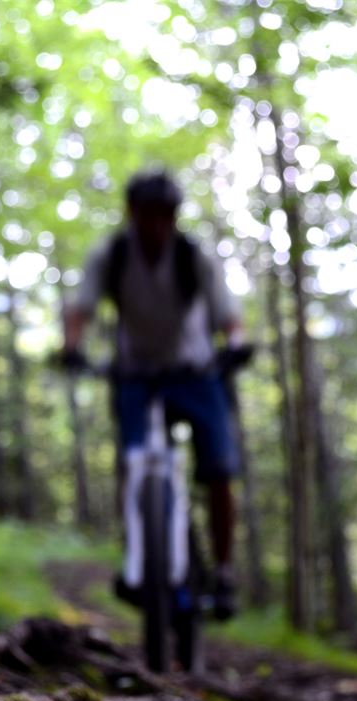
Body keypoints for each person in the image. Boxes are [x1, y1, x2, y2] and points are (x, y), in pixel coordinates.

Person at [63, 169, 245, 619]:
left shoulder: (192, 256)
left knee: (219, 469)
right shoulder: (111, 255)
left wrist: (235, 345)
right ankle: (140, 561)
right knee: (134, 462)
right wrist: (72, 346)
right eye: (148, 214)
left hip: (196, 371)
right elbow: (80, 308)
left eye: (166, 215)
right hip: (136, 375)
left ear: (175, 216)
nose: (157, 224)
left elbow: (227, 314)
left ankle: (222, 572)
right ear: (132, 213)